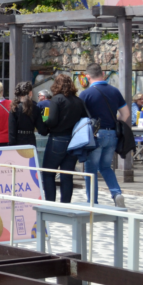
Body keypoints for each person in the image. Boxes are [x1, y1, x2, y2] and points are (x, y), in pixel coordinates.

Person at [79, 63, 129, 207]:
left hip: (94, 136)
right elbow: (125, 114)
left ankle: (92, 202)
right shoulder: (115, 91)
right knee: (106, 167)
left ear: (88, 77)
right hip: (112, 134)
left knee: (91, 169)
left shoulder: (86, 94)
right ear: (103, 74)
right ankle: (116, 193)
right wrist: (114, 125)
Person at [42, 74, 89, 203]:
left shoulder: (57, 99)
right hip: (74, 140)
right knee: (67, 175)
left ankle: (50, 203)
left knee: (48, 173)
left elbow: (52, 120)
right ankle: (65, 205)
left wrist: (44, 124)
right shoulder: (79, 101)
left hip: (57, 139)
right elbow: (85, 119)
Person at [10, 81, 46, 148]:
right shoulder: (35, 108)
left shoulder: (14, 108)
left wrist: (11, 146)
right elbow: (42, 130)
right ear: (30, 93)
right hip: (31, 141)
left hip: (18, 141)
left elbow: (11, 131)